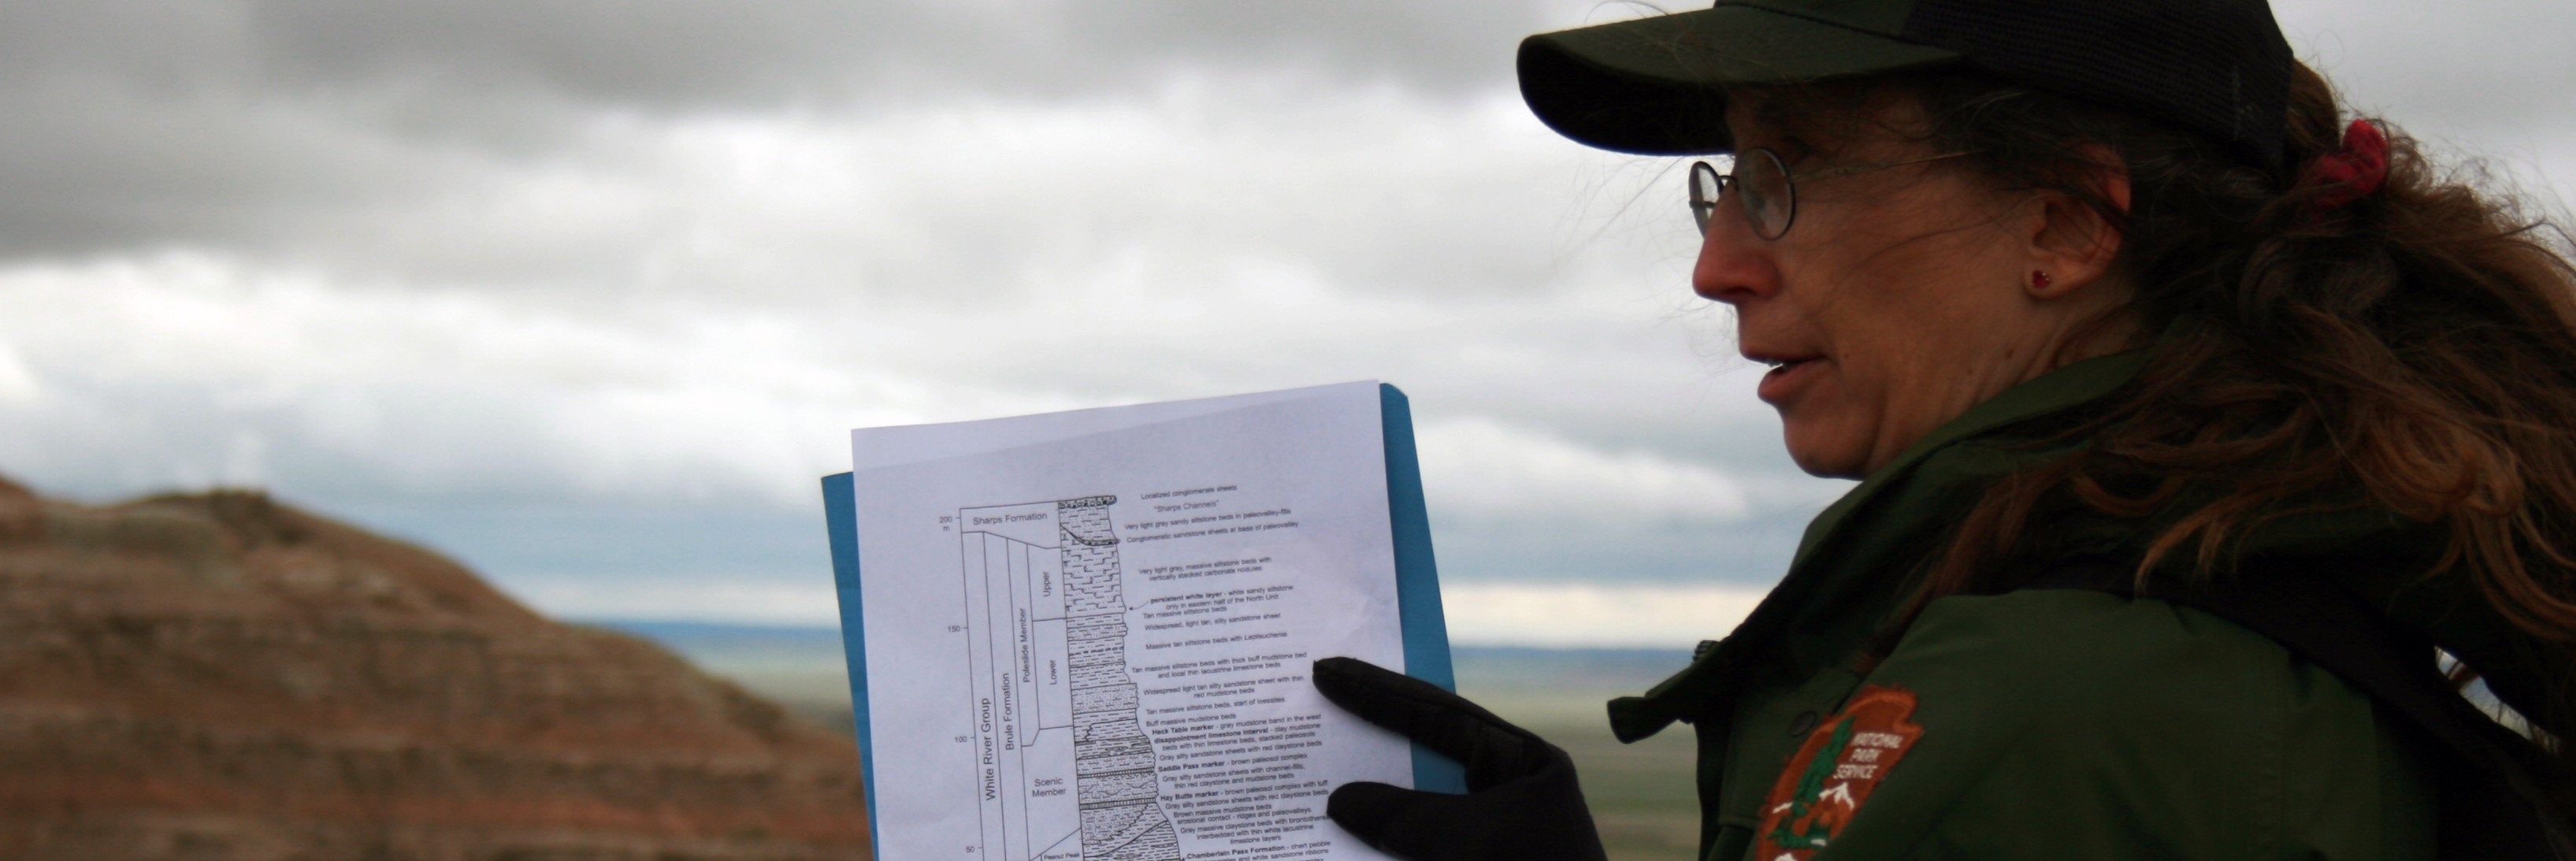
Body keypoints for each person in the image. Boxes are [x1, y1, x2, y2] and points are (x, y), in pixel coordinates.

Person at [1311, 0, 2576, 859]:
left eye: (1783, 172)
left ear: (2066, 224)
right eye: (1724, 181)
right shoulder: (2278, 574)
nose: (1718, 264)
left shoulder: (2046, 713)